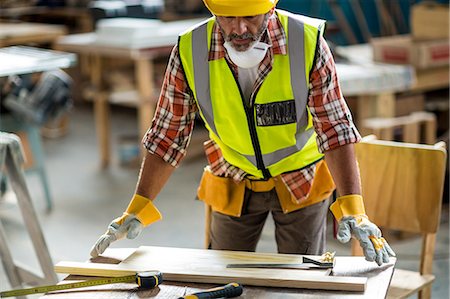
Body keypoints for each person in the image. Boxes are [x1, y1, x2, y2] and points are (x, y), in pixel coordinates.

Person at [90, 0, 395, 266]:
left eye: (250, 16)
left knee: (302, 281)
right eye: (227, 17)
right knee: (223, 277)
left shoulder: (306, 42)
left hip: (301, 180)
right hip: (233, 177)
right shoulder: (189, 51)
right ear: (212, 10)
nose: (240, 29)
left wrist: (353, 207)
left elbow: (335, 129)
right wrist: (138, 207)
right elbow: (168, 136)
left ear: (270, 8)